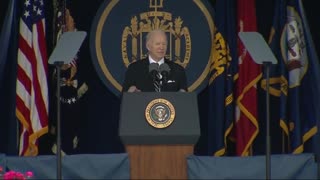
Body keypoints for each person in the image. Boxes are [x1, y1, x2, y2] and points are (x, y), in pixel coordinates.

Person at [122, 29, 188, 92]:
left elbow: (185, 99)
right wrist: (130, 93)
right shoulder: (134, 69)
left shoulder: (178, 70)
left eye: (164, 44)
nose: (161, 47)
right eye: (158, 44)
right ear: (148, 46)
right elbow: (124, 99)